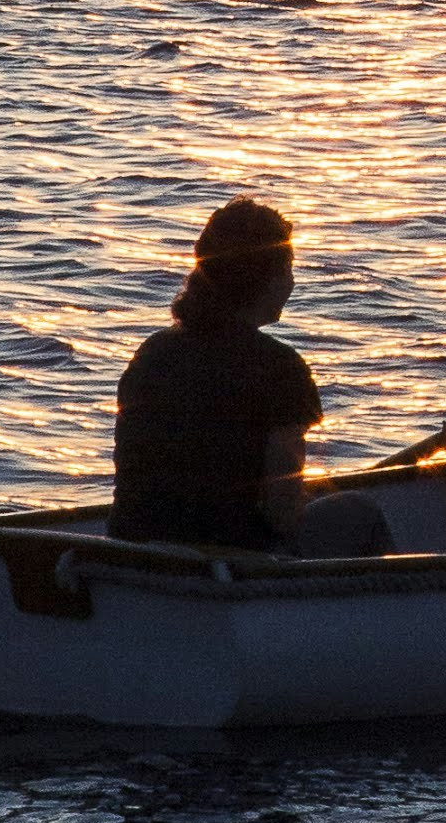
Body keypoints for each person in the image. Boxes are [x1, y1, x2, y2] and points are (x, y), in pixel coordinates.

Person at [111, 197, 392, 557]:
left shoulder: (152, 353)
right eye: (289, 268)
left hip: (134, 554)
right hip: (232, 563)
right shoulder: (281, 368)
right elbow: (281, 517)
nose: (292, 281)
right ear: (268, 280)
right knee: (361, 513)